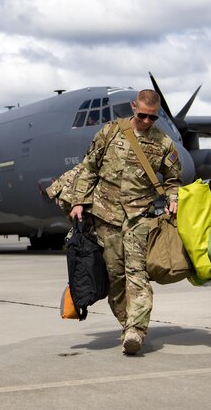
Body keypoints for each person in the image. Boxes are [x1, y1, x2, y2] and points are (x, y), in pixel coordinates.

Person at [69, 89, 182, 355]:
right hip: (105, 216)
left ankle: (136, 331)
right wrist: (78, 201)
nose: (145, 121)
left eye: (152, 118)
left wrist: (173, 197)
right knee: (115, 276)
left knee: (137, 274)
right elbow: (89, 168)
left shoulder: (163, 143)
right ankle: (126, 324)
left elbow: (173, 178)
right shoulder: (109, 133)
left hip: (139, 216)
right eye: (142, 115)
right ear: (133, 107)